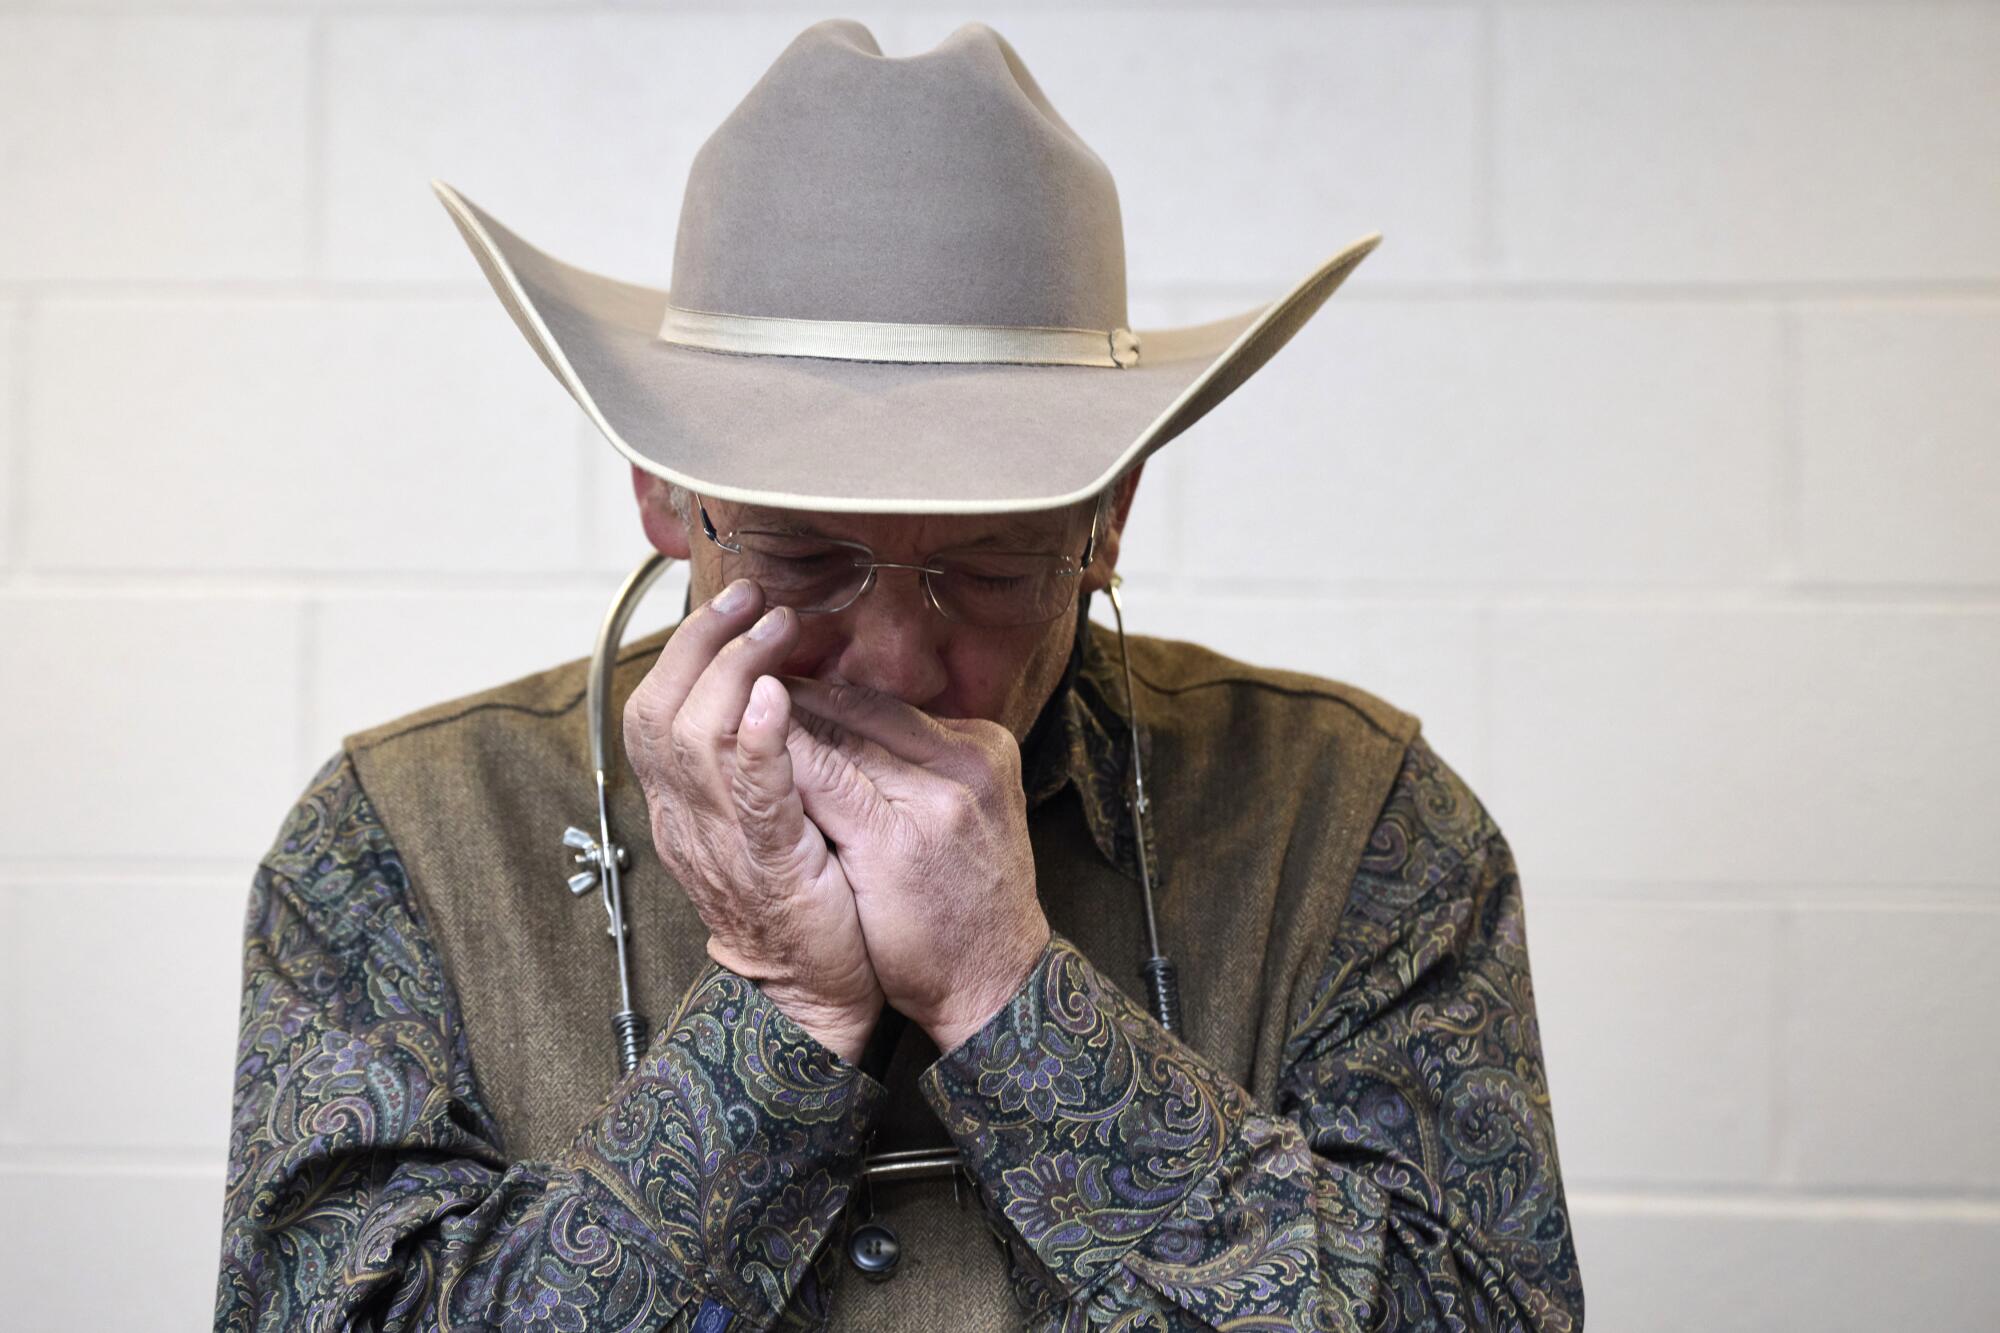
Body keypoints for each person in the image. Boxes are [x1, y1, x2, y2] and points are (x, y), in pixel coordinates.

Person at [216, 18, 1584, 1332]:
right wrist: (782, 1010)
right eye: (806, 555)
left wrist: (1008, 991)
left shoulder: (1356, 824)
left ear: (1109, 516)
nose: (896, 654)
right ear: (662, 490)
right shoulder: (393, 844)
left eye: (991, 565)